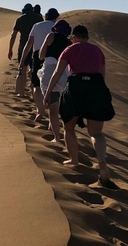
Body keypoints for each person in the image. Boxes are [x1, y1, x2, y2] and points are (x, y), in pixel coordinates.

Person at [43, 25, 116, 188]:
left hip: (76, 87)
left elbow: (58, 72)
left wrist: (48, 93)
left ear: (74, 37)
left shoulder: (70, 49)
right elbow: (102, 75)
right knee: (96, 132)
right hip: (96, 89)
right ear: (87, 37)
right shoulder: (98, 51)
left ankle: (74, 160)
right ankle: (102, 162)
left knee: (69, 128)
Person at [19, 8, 59, 119]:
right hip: (53, 56)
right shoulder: (57, 27)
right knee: (53, 85)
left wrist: (22, 60)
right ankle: (52, 113)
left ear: (46, 16)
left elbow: (29, 43)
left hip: (37, 56)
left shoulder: (37, 26)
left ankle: (40, 110)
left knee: (36, 84)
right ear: (56, 17)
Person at [37, 19, 72, 142]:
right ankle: (56, 129)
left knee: (52, 107)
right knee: (59, 105)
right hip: (63, 74)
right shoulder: (69, 43)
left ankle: (56, 136)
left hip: (49, 71)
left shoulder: (50, 36)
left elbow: (41, 55)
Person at [7, 3, 43, 96]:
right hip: (36, 47)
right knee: (34, 71)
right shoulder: (38, 18)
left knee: (22, 69)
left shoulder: (20, 19)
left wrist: (10, 49)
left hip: (23, 46)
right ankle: (33, 94)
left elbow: (13, 35)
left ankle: (21, 92)